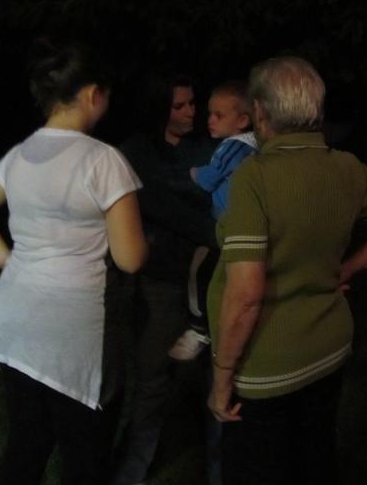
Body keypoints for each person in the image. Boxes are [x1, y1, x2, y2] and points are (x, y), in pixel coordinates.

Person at [207, 56, 367, 485]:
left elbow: (246, 294)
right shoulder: (346, 167)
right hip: (327, 352)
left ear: (260, 112)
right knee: (313, 460)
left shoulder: (254, 177)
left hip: (266, 366)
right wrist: (346, 269)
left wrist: (222, 377)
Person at [0, 44, 147, 485]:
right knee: (85, 458)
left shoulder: (20, 155)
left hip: (15, 318)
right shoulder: (103, 160)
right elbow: (131, 259)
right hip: (71, 330)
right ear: (94, 94)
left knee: (27, 443)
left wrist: (8, 260)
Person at [112, 76, 218, 485]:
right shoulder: (137, 152)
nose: (191, 112)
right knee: (152, 380)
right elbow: (159, 204)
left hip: (207, 282)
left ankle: (219, 468)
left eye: (193, 103)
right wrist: (212, 230)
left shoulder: (206, 147)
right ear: (158, 109)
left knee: (216, 377)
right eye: (180, 106)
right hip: (160, 283)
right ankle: (132, 470)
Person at [168, 80, 258, 361]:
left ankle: (198, 329)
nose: (210, 120)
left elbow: (208, 179)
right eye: (210, 113)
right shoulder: (257, 146)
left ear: (242, 121)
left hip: (225, 228)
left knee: (200, 271)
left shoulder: (232, 147)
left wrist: (192, 172)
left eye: (219, 115)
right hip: (243, 227)